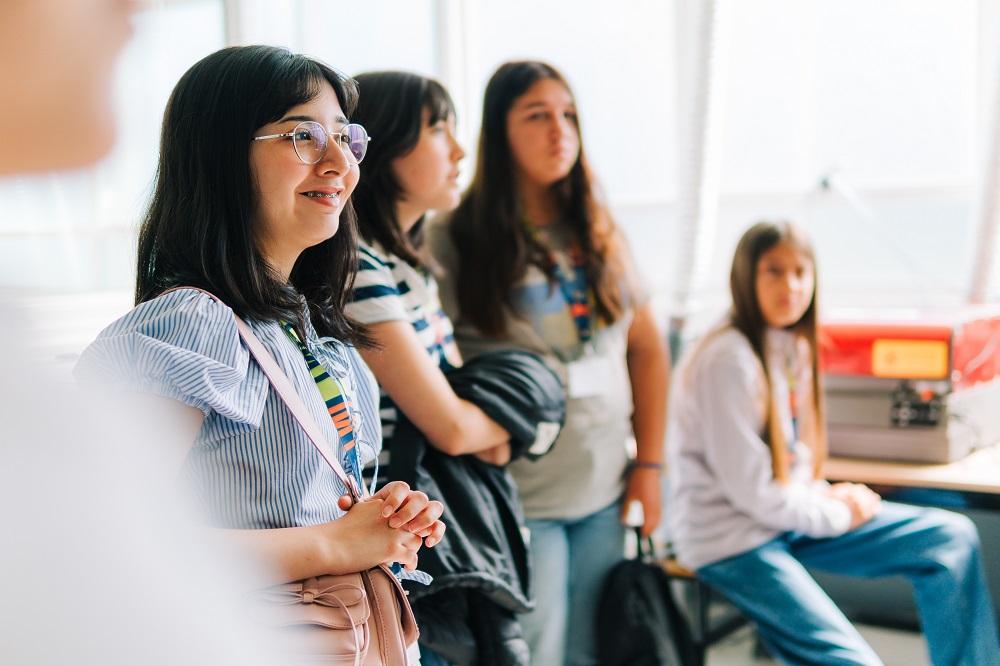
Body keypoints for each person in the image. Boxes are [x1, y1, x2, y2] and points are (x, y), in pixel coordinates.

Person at [73, 45, 446, 659]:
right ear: (219, 156)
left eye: (344, 138)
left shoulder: (311, 333)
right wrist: (333, 544)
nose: (338, 163)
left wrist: (379, 523)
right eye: (302, 135)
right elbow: (103, 547)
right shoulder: (190, 323)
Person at [666, 220, 1000, 665]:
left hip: (781, 517)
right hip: (732, 540)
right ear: (745, 277)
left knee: (951, 538)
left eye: (801, 271)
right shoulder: (728, 361)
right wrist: (838, 512)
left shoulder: (789, 346)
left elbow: (788, 464)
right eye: (774, 271)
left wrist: (825, 497)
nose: (792, 285)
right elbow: (753, 493)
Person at [428, 60, 670, 666]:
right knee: (537, 653)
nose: (559, 130)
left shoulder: (600, 229)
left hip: (606, 489)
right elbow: (423, 360)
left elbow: (645, 348)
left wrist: (652, 465)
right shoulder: (455, 235)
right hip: (521, 498)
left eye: (569, 115)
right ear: (499, 132)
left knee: (596, 648)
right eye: (537, 116)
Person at [349, 71, 547, 666]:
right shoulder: (356, 266)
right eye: (438, 128)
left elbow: (469, 418)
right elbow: (455, 429)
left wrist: (493, 427)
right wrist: (525, 420)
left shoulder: (409, 266)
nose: (459, 151)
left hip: (429, 522)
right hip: (403, 534)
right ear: (384, 147)